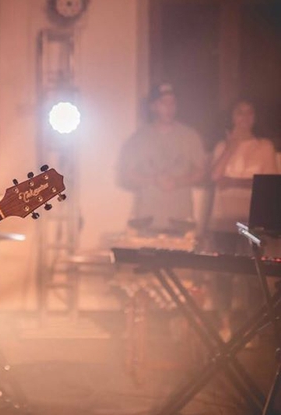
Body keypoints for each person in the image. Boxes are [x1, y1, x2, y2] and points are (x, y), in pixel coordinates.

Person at [207, 100, 278, 340]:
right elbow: (215, 176)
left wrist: (234, 182)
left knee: (253, 275)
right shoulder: (222, 146)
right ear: (232, 117)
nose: (245, 117)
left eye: (250, 112)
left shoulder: (264, 146)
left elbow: (267, 180)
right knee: (223, 273)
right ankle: (224, 324)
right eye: (239, 112)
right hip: (224, 220)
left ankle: (252, 330)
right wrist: (230, 146)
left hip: (252, 221)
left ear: (255, 117)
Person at [117, 83, 207, 236]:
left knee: (181, 260)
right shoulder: (139, 138)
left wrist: (178, 181)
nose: (169, 107)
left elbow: (201, 172)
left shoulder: (190, 136)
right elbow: (126, 175)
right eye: (163, 103)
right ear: (153, 107)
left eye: (172, 102)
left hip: (181, 220)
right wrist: (153, 180)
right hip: (147, 220)